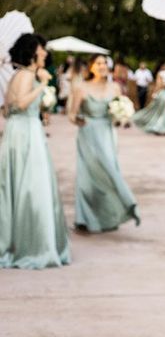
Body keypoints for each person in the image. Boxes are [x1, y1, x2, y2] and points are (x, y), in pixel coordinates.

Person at [0, 33, 70, 269]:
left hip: (22, 130)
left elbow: (5, 110)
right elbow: (17, 105)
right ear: (32, 52)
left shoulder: (17, 75)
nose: (44, 53)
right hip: (26, 134)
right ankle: (34, 244)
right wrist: (42, 85)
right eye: (41, 49)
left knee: (24, 182)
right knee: (32, 184)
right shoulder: (26, 75)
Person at [68, 54, 140, 233]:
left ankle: (111, 213)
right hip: (88, 134)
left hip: (107, 134)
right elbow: (71, 114)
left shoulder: (115, 87)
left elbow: (119, 110)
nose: (102, 66)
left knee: (108, 173)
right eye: (98, 63)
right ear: (91, 67)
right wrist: (78, 120)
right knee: (88, 176)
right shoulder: (81, 88)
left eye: (104, 63)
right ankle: (83, 218)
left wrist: (120, 118)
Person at [131, 62, 165, 135]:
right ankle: (163, 127)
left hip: (162, 94)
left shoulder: (161, 73)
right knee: (164, 111)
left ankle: (158, 127)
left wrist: (155, 93)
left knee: (157, 111)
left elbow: (159, 85)